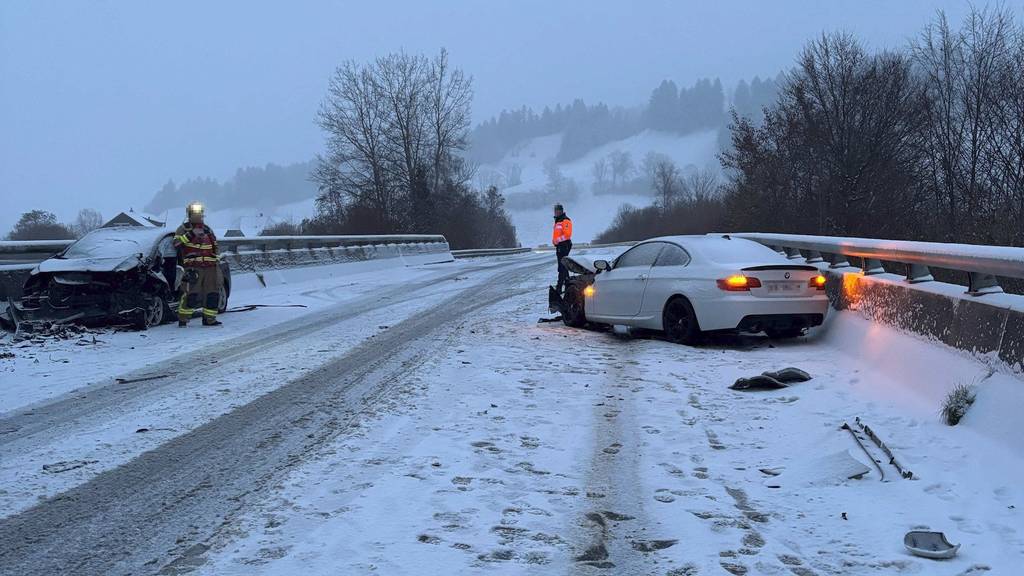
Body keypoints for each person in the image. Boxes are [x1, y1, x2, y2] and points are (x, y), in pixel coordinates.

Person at [173, 202, 223, 327]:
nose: (198, 216)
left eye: (200, 213)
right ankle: (183, 319)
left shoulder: (207, 229)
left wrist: (216, 258)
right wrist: (190, 234)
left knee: (212, 293)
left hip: (210, 267)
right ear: (189, 214)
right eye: (195, 213)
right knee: (191, 294)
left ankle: (209, 319)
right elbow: (176, 244)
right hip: (193, 267)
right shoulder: (183, 229)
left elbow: (215, 245)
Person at [552, 203, 573, 293]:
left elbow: (567, 235)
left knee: (562, 267)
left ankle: (559, 287)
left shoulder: (565, 220)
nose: (555, 212)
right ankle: (568, 283)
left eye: (557, 211)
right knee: (563, 266)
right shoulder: (558, 220)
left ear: (561, 211)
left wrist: (557, 240)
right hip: (560, 246)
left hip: (564, 245)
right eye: (555, 211)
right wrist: (555, 241)